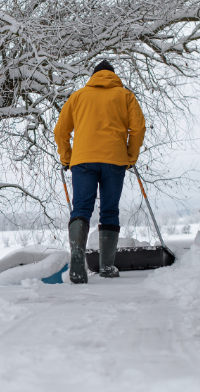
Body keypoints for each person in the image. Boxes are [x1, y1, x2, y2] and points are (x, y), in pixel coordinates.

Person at [54, 60, 146, 283]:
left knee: (82, 208)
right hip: (115, 160)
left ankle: (77, 260)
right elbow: (139, 128)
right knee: (109, 210)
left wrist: (67, 158)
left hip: (83, 161)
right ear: (113, 76)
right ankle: (106, 267)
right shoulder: (125, 96)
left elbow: (60, 131)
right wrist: (130, 157)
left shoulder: (78, 97)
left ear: (93, 76)